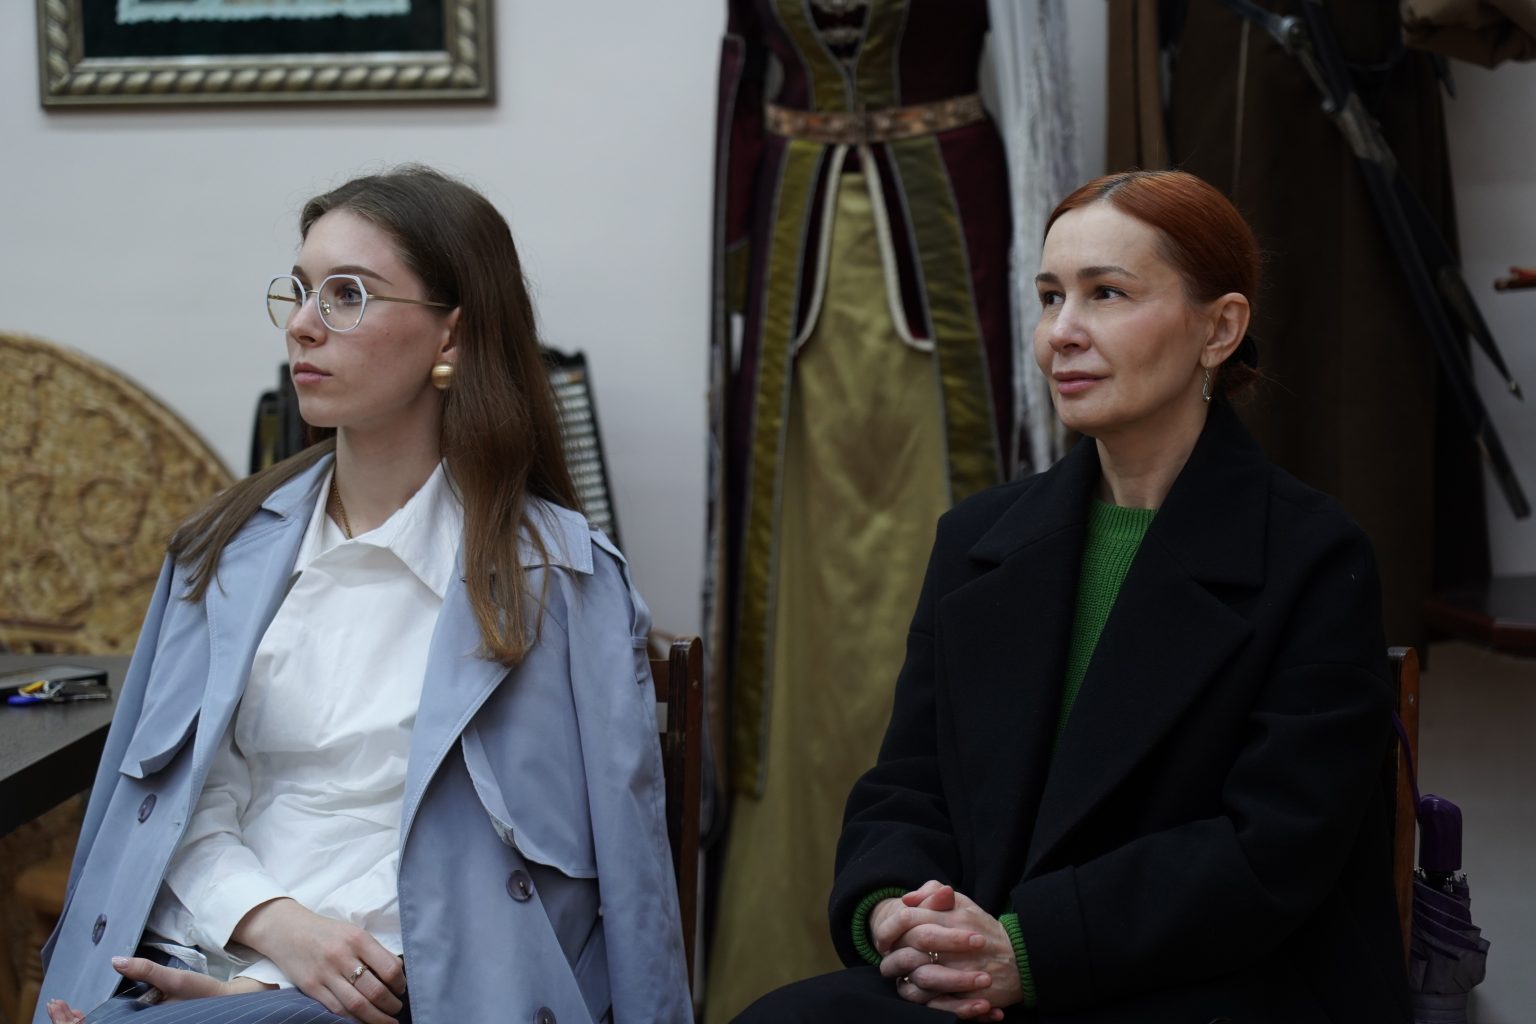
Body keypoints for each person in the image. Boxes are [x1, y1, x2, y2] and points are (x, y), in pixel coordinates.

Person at [734, 169, 1411, 1022]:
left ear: (1220, 329)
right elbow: (907, 786)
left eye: (1107, 294)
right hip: (986, 978)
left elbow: (1273, 848)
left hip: (1207, 984)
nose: (1062, 333)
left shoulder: (1312, 555)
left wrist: (1027, 951)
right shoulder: (978, 539)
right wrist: (898, 915)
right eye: (1050, 296)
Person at [37, 165, 692, 1024]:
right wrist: (272, 933)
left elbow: (618, 879)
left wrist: (279, 986)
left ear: (452, 335)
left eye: (348, 295)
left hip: (418, 993)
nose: (303, 325)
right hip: (199, 959)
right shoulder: (220, 549)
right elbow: (174, 806)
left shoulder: (561, 578)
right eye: (301, 290)